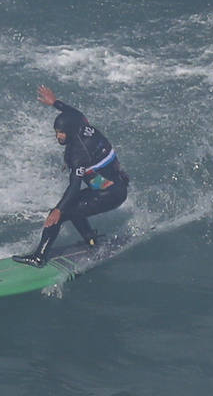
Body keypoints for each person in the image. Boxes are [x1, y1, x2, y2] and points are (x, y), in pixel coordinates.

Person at [12, 85, 129, 267]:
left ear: (70, 132)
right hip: (116, 184)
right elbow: (73, 113)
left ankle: (39, 258)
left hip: (110, 195)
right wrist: (54, 102)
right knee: (73, 206)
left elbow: (74, 187)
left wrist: (58, 211)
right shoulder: (82, 125)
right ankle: (90, 239)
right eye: (57, 132)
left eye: (62, 133)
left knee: (61, 211)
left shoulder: (77, 154)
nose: (58, 136)